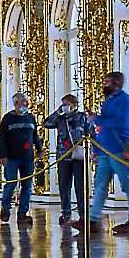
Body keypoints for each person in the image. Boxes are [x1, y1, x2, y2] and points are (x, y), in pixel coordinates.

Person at [88, 72, 129, 235]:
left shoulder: (127, 102)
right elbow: (103, 131)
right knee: (100, 185)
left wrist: (97, 119)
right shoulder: (108, 103)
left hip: (120, 150)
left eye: (107, 82)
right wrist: (97, 150)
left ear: (116, 84)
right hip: (106, 152)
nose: (104, 84)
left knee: (128, 185)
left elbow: (123, 124)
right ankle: (93, 219)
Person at [44, 95, 91, 227]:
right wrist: (58, 112)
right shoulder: (60, 119)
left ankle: (82, 214)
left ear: (74, 104)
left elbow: (92, 133)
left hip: (79, 156)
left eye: (66, 103)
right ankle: (66, 212)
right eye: (63, 103)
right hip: (63, 155)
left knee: (80, 186)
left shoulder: (82, 117)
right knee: (64, 186)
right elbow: (46, 123)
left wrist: (94, 152)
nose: (64, 105)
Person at [0, 91, 41, 224]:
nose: (27, 104)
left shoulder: (30, 117)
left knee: (27, 186)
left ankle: (23, 214)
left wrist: (39, 149)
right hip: (12, 158)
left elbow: (35, 136)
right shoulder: (8, 118)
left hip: (28, 158)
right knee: (11, 184)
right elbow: (2, 139)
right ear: (16, 103)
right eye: (24, 102)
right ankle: (6, 207)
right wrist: (2, 156)